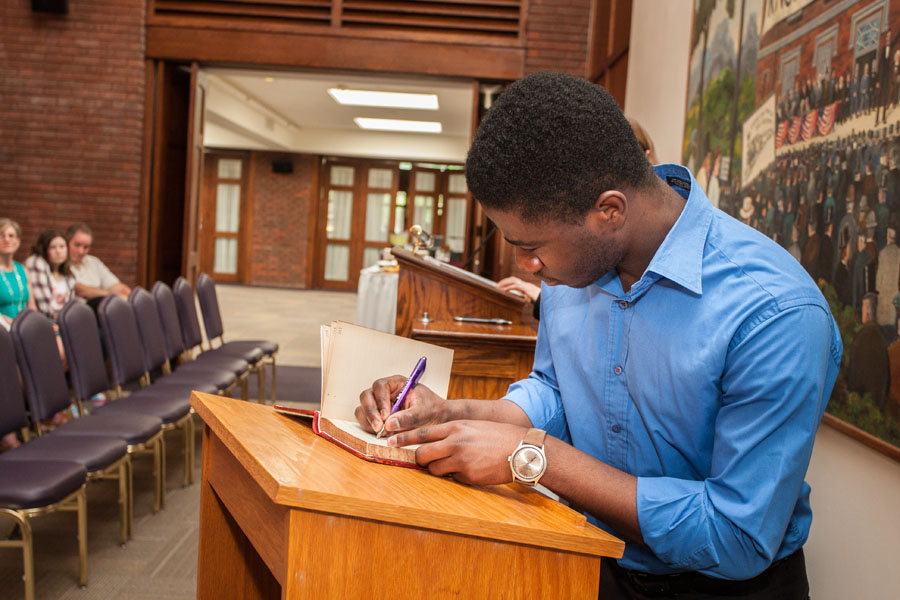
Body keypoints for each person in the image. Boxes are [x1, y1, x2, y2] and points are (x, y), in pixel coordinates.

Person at [356, 73, 840, 598]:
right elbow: (556, 391)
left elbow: (736, 537)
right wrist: (455, 414)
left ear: (608, 211)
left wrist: (535, 456)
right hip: (594, 559)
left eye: (533, 246)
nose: (526, 265)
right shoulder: (575, 264)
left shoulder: (774, 312)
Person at [0, 218, 37, 450]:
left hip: (24, 328)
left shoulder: (23, 270)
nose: (7, 240)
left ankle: (40, 415)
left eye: (11, 235)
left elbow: (31, 304)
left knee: (54, 349)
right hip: (4, 332)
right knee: (15, 371)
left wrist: (37, 325)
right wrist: (15, 324)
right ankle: (9, 433)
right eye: (2, 235)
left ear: (19, 241)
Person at [67, 223, 131, 305]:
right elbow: (81, 290)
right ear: (67, 242)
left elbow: (117, 286)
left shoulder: (93, 262)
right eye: (77, 245)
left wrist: (129, 296)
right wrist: (113, 296)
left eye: (86, 247)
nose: (81, 251)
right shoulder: (61, 265)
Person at [24, 229, 76, 322]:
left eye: (62, 246)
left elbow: (71, 306)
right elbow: (43, 308)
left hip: (64, 322)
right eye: (52, 247)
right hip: (44, 322)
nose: (58, 251)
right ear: (44, 249)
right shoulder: (36, 263)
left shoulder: (69, 272)